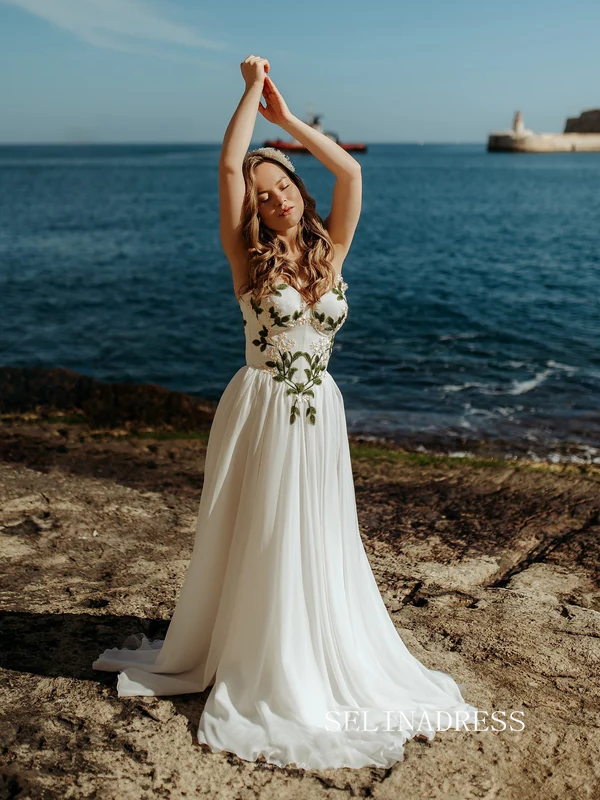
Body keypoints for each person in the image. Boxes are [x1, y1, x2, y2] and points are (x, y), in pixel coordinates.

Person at [92, 55, 479, 770]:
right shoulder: (246, 256)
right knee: (263, 535)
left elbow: (354, 176)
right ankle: (261, 656)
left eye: (282, 186)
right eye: (262, 194)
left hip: (319, 415)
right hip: (261, 409)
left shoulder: (332, 252)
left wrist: (289, 121)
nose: (274, 200)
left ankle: (312, 647)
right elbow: (228, 164)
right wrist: (247, 95)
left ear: (299, 186)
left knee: (321, 537)